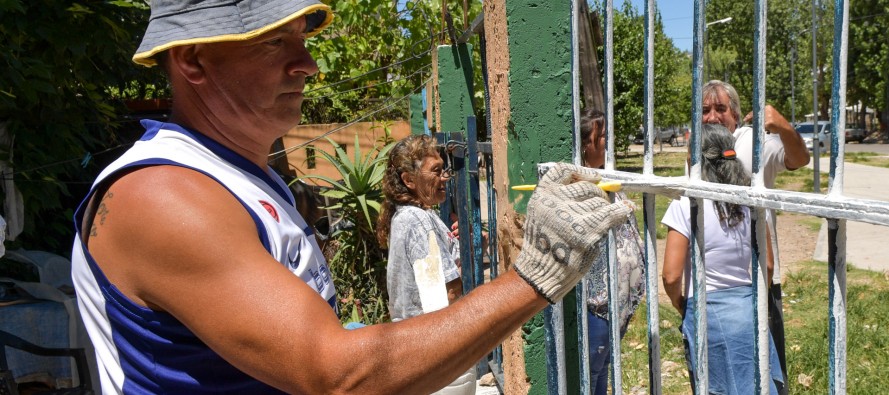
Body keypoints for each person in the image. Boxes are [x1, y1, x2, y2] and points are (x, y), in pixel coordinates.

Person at [69, 1, 636, 393]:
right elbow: (336, 375)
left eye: (302, 39)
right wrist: (535, 276)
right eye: (274, 42)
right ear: (192, 58)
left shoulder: (243, 178)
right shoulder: (163, 196)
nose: (308, 64)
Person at [702, 80, 810, 391]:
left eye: (720, 109)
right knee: (718, 377)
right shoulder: (699, 147)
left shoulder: (752, 141)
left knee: (766, 373)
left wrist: (782, 126)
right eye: (705, 110)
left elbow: (799, 159)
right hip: (711, 286)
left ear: (735, 114)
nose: (712, 116)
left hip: (757, 278)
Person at [662, 123, 785, 395]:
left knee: (714, 387)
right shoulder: (751, 201)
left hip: (707, 311)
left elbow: (671, 276)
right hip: (747, 308)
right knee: (758, 384)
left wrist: (682, 304)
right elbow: (767, 264)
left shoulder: (686, 205)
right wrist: (756, 299)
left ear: (696, 158)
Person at [376, 135, 475, 394]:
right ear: (409, 180)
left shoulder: (416, 215)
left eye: (444, 170)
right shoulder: (417, 220)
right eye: (436, 171)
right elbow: (445, 293)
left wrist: (472, 246)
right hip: (437, 352)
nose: (445, 178)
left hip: (422, 348)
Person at [579, 109, 645, 394]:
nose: (609, 141)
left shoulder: (606, 178)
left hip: (615, 302)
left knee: (603, 369)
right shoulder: (581, 186)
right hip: (598, 304)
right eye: (603, 136)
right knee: (592, 373)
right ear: (586, 144)